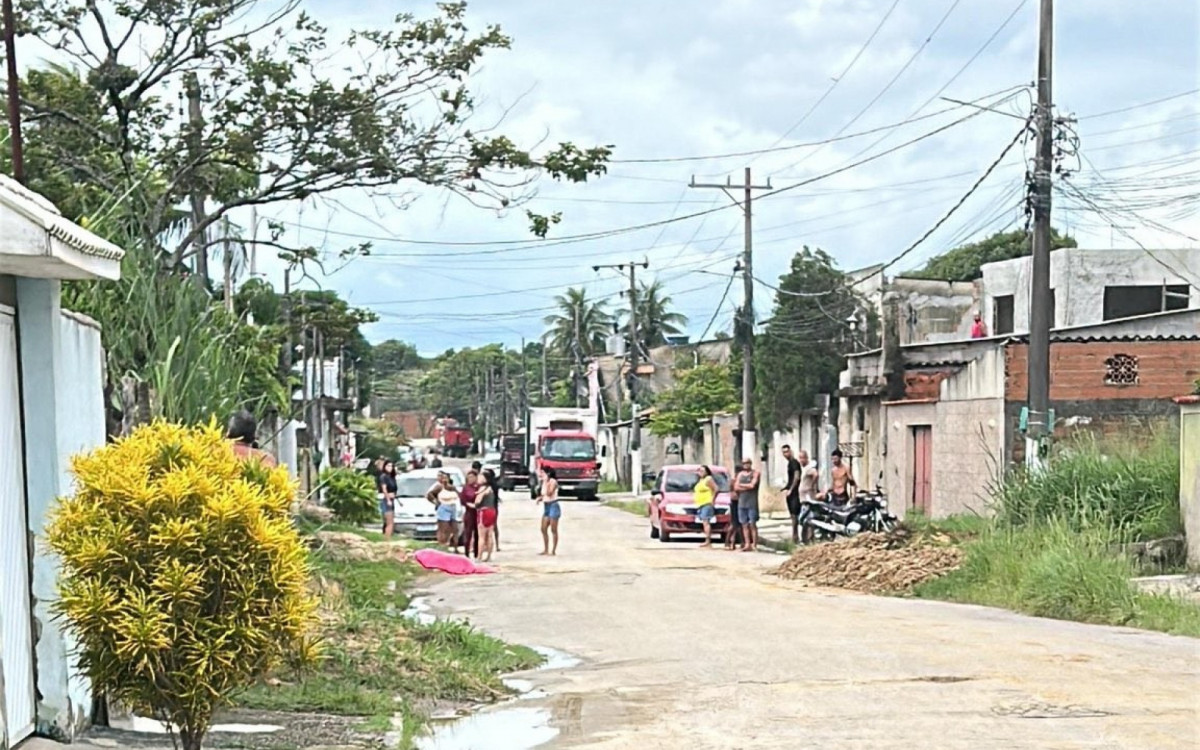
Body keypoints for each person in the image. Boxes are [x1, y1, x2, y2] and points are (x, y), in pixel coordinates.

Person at [426, 472, 461, 554]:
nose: (444, 480)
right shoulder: (439, 487)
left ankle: (455, 547)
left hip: (453, 507)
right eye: (443, 478)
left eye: (446, 478)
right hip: (443, 507)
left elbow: (459, 495)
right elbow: (429, 495)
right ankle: (442, 546)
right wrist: (436, 502)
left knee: (455, 528)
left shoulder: (452, 487)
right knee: (443, 528)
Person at [733, 458, 761, 552]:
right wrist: (746, 486)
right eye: (744, 463)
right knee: (744, 524)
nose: (746, 465)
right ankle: (747, 544)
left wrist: (742, 485)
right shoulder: (740, 474)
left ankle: (755, 545)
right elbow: (736, 487)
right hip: (742, 502)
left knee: (752, 524)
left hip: (752, 502)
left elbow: (753, 485)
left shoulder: (755, 473)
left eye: (748, 463)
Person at [781, 445, 804, 544]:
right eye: (784, 452)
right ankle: (795, 537)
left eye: (787, 452)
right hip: (791, 493)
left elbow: (797, 477)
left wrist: (791, 489)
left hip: (795, 494)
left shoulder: (794, 463)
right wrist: (786, 487)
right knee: (792, 515)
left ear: (790, 451)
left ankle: (796, 537)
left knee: (795, 516)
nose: (786, 454)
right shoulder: (790, 463)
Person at [536, 467, 562, 556]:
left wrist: (547, 482)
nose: (541, 475)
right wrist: (540, 498)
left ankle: (553, 550)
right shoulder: (543, 482)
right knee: (543, 528)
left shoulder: (552, 482)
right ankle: (546, 549)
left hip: (553, 505)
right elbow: (544, 495)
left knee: (553, 529)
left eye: (543, 473)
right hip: (546, 505)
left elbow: (550, 493)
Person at [477, 469, 500, 562]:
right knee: (490, 534)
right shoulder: (492, 488)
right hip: (492, 510)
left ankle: (479, 556)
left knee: (482, 535)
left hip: (484, 511)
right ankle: (489, 556)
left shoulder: (483, 488)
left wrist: (475, 503)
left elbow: (477, 501)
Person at [693, 465, 718, 549]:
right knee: (704, 522)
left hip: (707, 503)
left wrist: (712, 500)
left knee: (706, 522)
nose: (701, 472)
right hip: (701, 504)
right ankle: (707, 540)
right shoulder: (701, 480)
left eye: (703, 471)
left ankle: (708, 541)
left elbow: (716, 489)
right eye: (699, 471)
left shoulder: (708, 479)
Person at [460, 469, 481, 558]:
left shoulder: (479, 487)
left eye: (472, 477)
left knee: (477, 533)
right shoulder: (465, 488)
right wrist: (468, 504)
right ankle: (466, 552)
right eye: (469, 477)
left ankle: (476, 552)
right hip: (469, 512)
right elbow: (462, 499)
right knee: (468, 533)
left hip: (478, 512)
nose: (471, 479)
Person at [377, 460, 398, 541]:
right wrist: (388, 499)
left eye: (391, 466)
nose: (390, 468)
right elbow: (384, 489)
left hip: (392, 499)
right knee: (389, 522)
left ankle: (388, 538)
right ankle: (387, 539)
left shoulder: (392, 477)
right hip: (386, 500)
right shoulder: (384, 477)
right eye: (388, 466)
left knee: (391, 521)